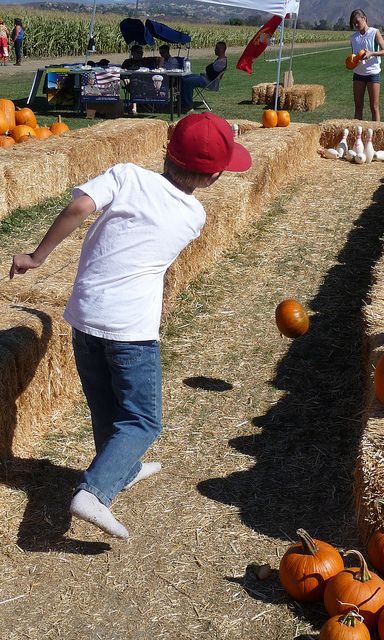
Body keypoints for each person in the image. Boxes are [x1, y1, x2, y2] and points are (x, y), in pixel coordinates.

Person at [9, 113, 252, 539]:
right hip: (132, 331)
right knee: (142, 420)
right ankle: (95, 492)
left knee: (105, 407)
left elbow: (79, 206)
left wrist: (37, 257)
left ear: (166, 149)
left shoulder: (124, 175)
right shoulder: (193, 216)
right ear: (213, 177)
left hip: (84, 317)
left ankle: (124, 469)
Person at [349, 10, 384, 122]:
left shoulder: (374, 32)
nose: (356, 25)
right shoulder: (353, 37)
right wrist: (352, 61)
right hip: (358, 75)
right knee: (358, 107)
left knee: (374, 107)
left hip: (373, 74)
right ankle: (357, 135)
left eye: (357, 21)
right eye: (354, 23)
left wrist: (371, 53)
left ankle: (375, 135)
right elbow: (354, 55)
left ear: (364, 18)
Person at [180, 41, 227, 113]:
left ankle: (188, 105)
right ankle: (182, 101)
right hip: (205, 78)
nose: (215, 50)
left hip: (209, 82)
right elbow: (209, 69)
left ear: (222, 49)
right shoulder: (219, 60)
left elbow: (209, 71)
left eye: (217, 48)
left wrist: (209, 68)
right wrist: (209, 68)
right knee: (184, 77)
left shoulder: (222, 62)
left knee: (188, 81)